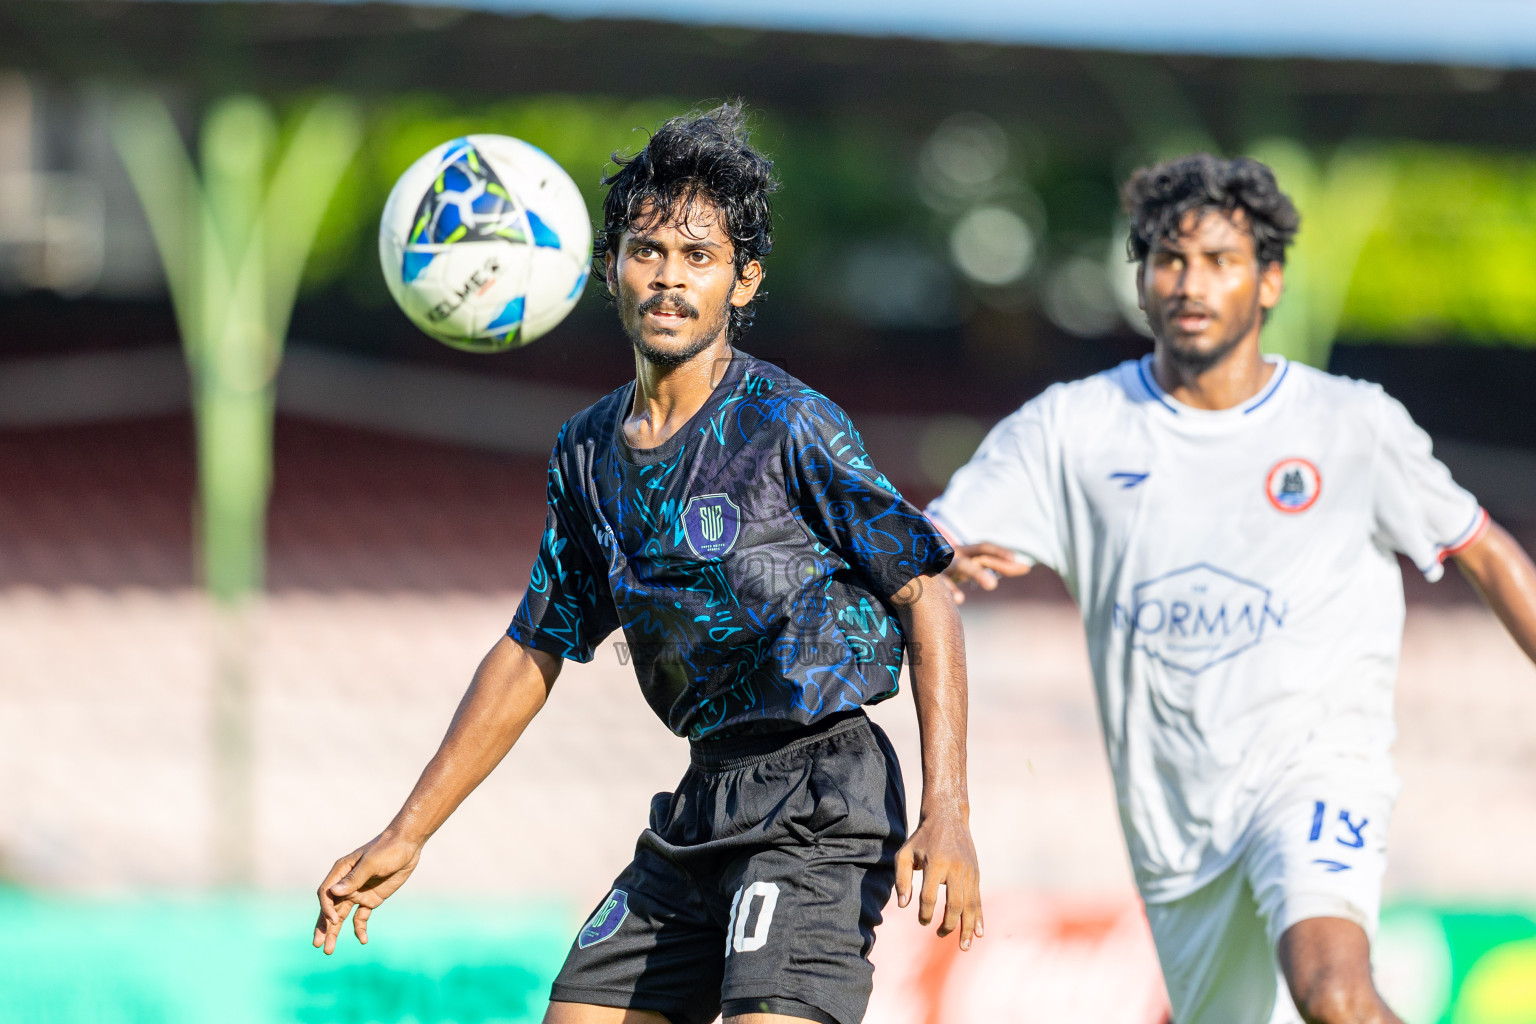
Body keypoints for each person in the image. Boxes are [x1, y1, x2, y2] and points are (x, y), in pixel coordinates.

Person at [313, 103, 982, 1024]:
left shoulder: (787, 423)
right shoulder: (587, 452)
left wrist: (949, 810)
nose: (669, 279)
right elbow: (532, 648)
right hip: (704, 801)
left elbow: (926, 589)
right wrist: (408, 831)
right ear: (609, 271)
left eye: (698, 258)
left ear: (742, 284)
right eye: (647, 252)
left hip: (821, 799)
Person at [927, 154, 1536, 1024]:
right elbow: (927, 552)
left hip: (1316, 772)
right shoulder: (1071, 428)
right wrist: (931, 556)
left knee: (1335, 994)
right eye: (1170, 259)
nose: (1191, 282)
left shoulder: (1350, 423)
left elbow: (1485, 551)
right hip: (1175, 831)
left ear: (1271, 280)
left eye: (1221, 260)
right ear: (1139, 280)